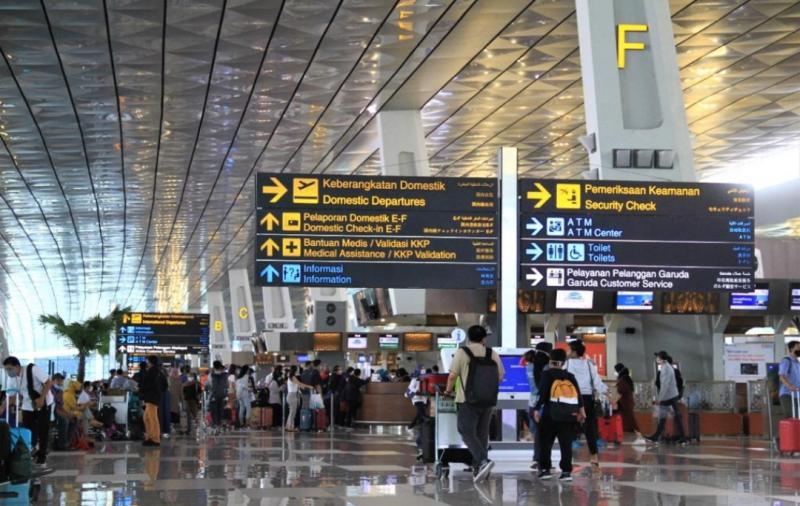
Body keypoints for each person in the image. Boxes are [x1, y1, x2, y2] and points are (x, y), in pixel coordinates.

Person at [444, 325, 505, 483]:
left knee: (465, 431)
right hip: (488, 401)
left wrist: (448, 391)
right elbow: (501, 375)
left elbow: (452, 376)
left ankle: (482, 460)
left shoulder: (462, 353)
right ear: (484, 338)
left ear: (468, 338)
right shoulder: (492, 353)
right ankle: (479, 466)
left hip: (467, 399)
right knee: (481, 433)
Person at [534, 348, 586, 482]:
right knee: (566, 444)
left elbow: (542, 394)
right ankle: (566, 472)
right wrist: (581, 410)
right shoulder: (570, 376)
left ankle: (545, 470)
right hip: (568, 415)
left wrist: (536, 409)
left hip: (550, 414)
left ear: (550, 360)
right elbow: (578, 395)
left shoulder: (547, 375)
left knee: (545, 442)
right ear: (563, 362)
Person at [2, 356, 54, 465]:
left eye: (10, 369)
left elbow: (48, 382)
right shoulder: (13, 379)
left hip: (43, 403)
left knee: (43, 429)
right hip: (28, 405)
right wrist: (2, 408)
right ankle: (31, 450)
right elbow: (11, 396)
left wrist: (42, 398)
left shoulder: (32, 369)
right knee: (28, 430)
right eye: (6, 369)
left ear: (17, 366)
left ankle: (42, 455)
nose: (8, 372)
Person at [565, 340, 607, 468]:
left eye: (569, 349)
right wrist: (607, 392)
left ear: (574, 352)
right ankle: (594, 457)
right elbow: (597, 382)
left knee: (568, 429)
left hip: (571, 398)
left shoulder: (566, 364)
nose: (567, 351)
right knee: (590, 430)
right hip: (587, 399)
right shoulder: (589, 364)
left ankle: (567, 458)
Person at [647, 351, 686, 444]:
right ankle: (658, 435)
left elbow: (665, 385)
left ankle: (681, 436)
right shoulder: (665, 367)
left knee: (671, 416)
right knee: (664, 415)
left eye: (657, 357)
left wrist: (660, 399)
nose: (656, 359)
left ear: (661, 358)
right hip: (670, 396)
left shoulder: (666, 369)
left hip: (670, 396)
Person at [525, 342, 551, 470]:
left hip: (532, 403)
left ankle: (538, 459)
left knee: (538, 435)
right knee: (546, 435)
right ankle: (544, 461)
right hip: (542, 404)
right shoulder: (546, 367)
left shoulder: (529, 365)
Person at [140, 355, 167, 447]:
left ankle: (155, 439)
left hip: (152, 397)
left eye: (148, 361)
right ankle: (150, 437)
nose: (147, 363)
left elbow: (148, 384)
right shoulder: (159, 371)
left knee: (152, 418)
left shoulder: (153, 371)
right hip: (153, 396)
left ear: (150, 362)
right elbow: (165, 385)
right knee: (147, 418)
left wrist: (141, 389)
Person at [614, 363, 644, 443]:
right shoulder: (627, 379)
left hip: (625, 402)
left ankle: (638, 432)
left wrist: (614, 400)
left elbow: (620, 392)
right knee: (628, 417)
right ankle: (634, 432)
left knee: (630, 418)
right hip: (628, 401)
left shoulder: (622, 380)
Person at [779, 341, 800, 432]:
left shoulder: (797, 363)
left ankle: (795, 438)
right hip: (787, 394)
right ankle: (786, 439)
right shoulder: (786, 360)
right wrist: (790, 386)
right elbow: (782, 376)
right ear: (791, 349)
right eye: (798, 347)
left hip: (797, 394)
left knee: (797, 417)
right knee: (790, 416)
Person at [285, 366, 311, 432]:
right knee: (292, 412)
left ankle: (288, 426)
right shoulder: (293, 377)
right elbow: (299, 384)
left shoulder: (291, 377)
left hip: (291, 396)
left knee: (291, 412)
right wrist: (309, 386)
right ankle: (290, 427)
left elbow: (299, 385)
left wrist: (304, 387)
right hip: (292, 396)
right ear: (295, 371)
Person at [209, 361, 229, 432]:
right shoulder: (225, 375)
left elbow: (208, 385)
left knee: (214, 410)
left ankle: (216, 424)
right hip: (223, 395)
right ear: (220, 366)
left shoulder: (211, 375)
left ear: (214, 367)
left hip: (214, 395)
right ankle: (221, 425)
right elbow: (227, 385)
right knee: (222, 410)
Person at [182, 371, 200, 435]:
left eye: (191, 376)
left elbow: (199, 391)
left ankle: (195, 427)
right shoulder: (186, 384)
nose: (190, 377)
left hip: (193, 400)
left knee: (194, 414)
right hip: (188, 400)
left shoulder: (196, 383)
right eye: (189, 376)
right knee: (189, 414)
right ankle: (189, 429)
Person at [168, 367, 183, 432]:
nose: (175, 373)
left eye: (175, 372)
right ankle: (172, 425)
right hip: (174, 400)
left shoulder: (168, 379)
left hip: (171, 400)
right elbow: (181, 393)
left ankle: (171, 425)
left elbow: (181, 392)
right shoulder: (178, 381)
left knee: (171, 413)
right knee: (173, 413)